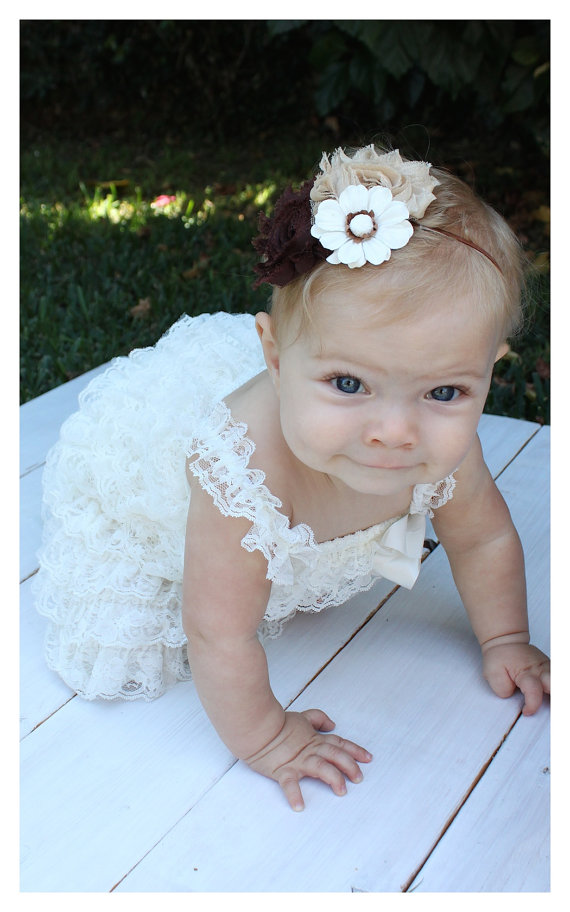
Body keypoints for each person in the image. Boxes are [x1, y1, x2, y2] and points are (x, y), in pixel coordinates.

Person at [34, 143, 550, 812]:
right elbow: (220, 632)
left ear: (488, 368)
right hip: (166, 483)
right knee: (153, 609)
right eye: (348, 383)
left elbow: (482, 541)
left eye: (445, 392)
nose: (396, 431)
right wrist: (268, 737)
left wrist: (507, 638)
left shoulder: (439, 449)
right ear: (274, 359)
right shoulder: (240, 474)